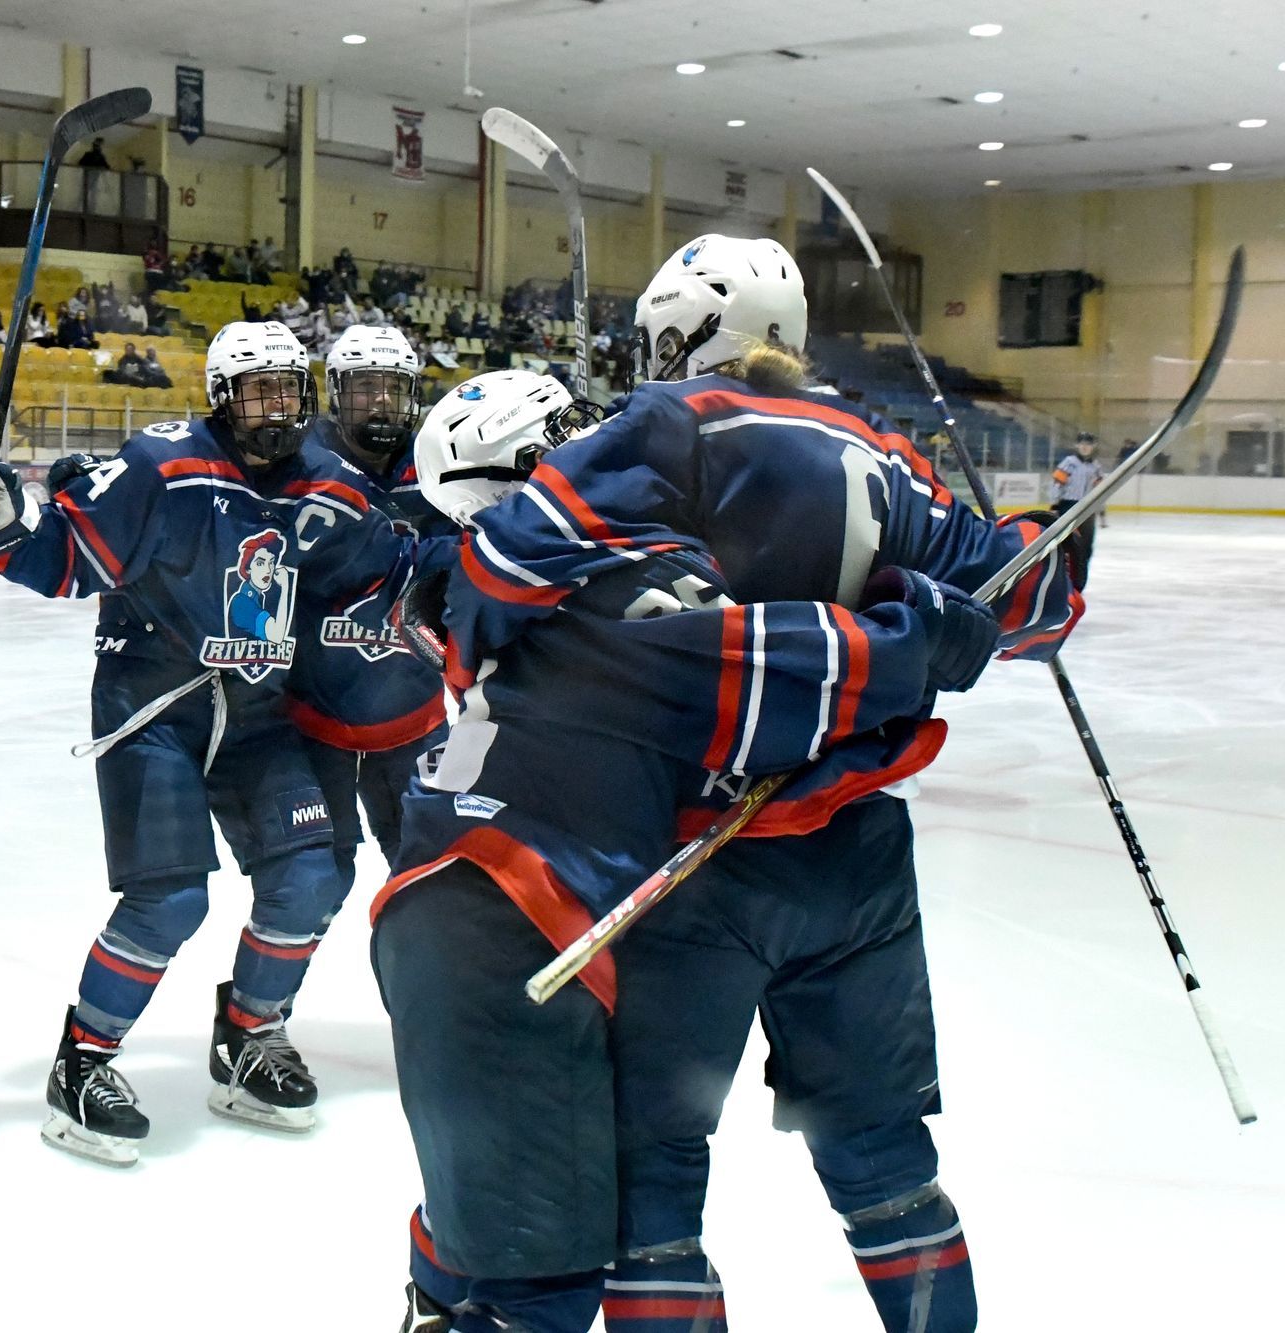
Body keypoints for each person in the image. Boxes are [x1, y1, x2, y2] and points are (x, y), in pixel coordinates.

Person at [386, 235, 1087, 1333]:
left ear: (679, 331)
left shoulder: (669, 426)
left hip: (687, 857)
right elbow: (1029, 603)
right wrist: (1037, 542)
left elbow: (505, 568)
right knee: (882, 1158)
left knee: (654, 1183)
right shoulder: (885, 452)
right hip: (853, 862)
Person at [0, 320, 438, 1166]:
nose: (276, 406)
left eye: (289, 389)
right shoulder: (161, 466)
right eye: (258, 390)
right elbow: (63, 557)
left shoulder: (332, 484)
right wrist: (0, 520)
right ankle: (85, 1058)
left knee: (313, 874)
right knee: (170, 900)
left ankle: (250, 1034)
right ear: (222, 397)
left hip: (257, 718)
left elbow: (400, 564)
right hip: (153, 711)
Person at [290, 325, 451, 913]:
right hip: (311, 714)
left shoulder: (444, 459)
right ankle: (257, 1006)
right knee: (310, 889)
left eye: (393, 387)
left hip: (416, 714)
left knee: (432, 887)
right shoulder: (296, 462)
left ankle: (427, 1007)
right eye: (365, 387)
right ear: (335, 391)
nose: (380, 400)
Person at [1053, 431, 1108, 544]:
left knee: (1086, 542)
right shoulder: (1068, 463)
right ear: (1076, 445)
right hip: (1068, 505)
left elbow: (1100, 491)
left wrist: (1101, 512)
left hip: (1087, 508)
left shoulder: (1096, 467)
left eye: (1088, 444)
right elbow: (1056, 485)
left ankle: (1084, 562)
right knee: (1066, 541)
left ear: (1093, 446)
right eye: (1082, 443)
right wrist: (1054, 505)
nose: (1084, 447)